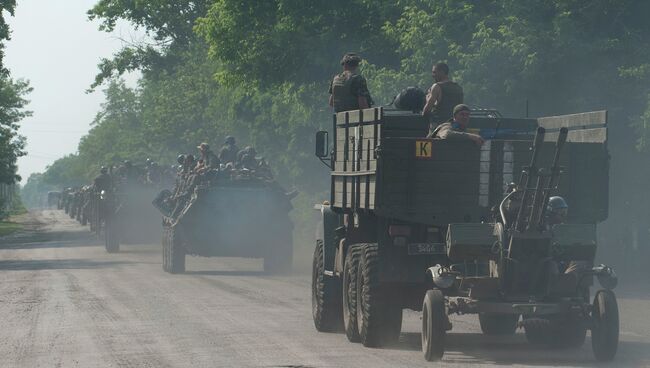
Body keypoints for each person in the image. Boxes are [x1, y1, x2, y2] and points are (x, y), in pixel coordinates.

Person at [422, 62, 464, 130]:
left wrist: (428, 99)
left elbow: (426, 111)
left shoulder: (437, 86)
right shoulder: (458, 87)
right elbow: (461, 108)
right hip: (455, 126)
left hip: (439, 126)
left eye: (434, 72)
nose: (433, 75)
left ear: (442, 72)